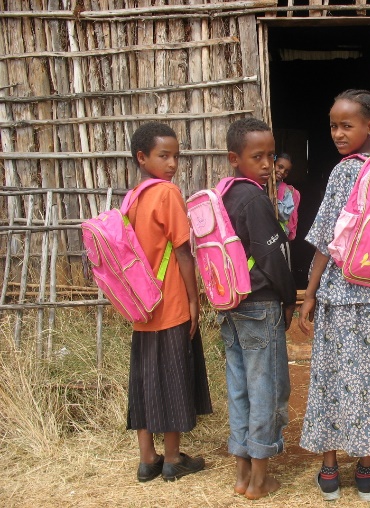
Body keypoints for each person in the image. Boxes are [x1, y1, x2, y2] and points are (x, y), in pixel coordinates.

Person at [298, 89, 370, 502]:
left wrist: (309, 294)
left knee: (331, 377)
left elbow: (326, 240)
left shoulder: (345, 172)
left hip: (342, 296)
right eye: (333, 125)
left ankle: (330, 468)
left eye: (347, 125)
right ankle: (365, 468)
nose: (338, 133)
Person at [126, 122, 212, 482]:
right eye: (164, 156)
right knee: (174, 378)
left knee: (145, 379)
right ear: (142, 157)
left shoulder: (132, 197)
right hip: (171, 301)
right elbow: (183, 251)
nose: (173, 163)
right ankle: (173, 458)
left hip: (141, 304)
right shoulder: (167, 193)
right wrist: (194, 301)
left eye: (176, 156)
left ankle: (148, 459)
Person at [217, 118, 297, 500]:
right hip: (260, 305)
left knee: (240, 389)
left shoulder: (223, 196)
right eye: (257, 156)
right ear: (235, 158)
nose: (267, 164)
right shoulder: (254, 200)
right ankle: (261, 479)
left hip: (230, 305)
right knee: (266, 389)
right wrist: (287, 298)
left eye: (270, 155)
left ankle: (242, 473)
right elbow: (274, 257)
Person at [275, 153, 301, 241]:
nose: (282, 172)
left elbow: (285, 214)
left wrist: (273, 200)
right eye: (280, 167)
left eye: (286, 171)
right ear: (272, 164)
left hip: (277, 236)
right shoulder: (260, 184)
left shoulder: (286, 191)